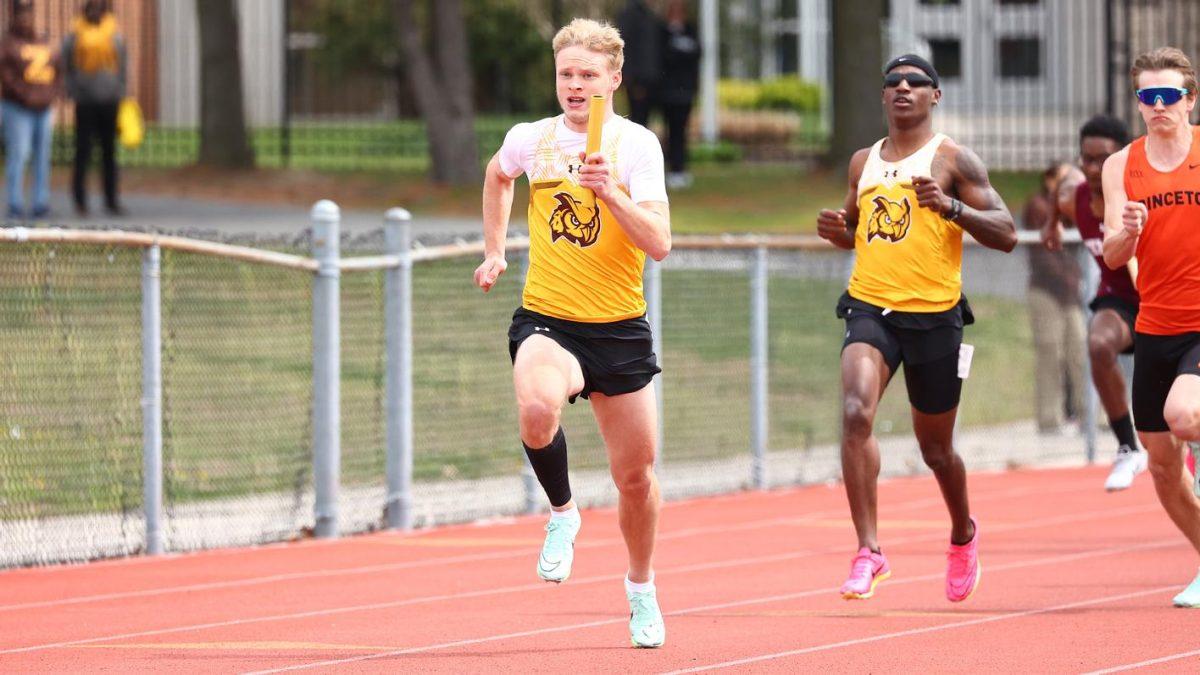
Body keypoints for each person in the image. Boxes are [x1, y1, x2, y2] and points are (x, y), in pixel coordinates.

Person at [474, 18, 671, 646]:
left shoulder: (635, 146)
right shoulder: (532, 140)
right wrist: (496, 248)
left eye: (589, 74)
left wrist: (611, 195)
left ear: (614, 79)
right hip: (548, 318)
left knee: (635, 479)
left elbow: (660, 245)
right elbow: (498, 174)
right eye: (566, 74)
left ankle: (640, 588)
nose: (576, 85)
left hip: (618, 330)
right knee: (536, 408)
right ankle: (562, 513)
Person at [816, 54, 1016, 603]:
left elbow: (1006, 232)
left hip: (934, 318)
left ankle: (962, 534)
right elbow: (859, 230)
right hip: (870, 307)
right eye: (893, 83)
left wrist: (951, 206)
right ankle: (869, 551)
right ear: (883, 97)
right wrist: (837, 229)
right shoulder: (863, 162)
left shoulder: (952, 158)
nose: (903, 88)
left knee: (937, 450)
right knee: (856, 412)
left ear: (935, 95)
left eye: (916, 82)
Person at [1100, 46, 1200, 607]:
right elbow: (1114, 255)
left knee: (1185, 415)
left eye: (1169, 96)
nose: (1158, 106)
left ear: (1189, 100)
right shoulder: (1123, 165)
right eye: (1148, 97)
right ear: (1139, 104)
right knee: (1162, 466)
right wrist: (1130, 230)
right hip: (1156, 324)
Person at [1043, 115, 1148, 491]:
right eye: (1085, 159)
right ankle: (1127, 447)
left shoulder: (1141, 194)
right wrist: (1052, 224)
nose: (1091, 168)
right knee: (1098, 342)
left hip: (1163, 298)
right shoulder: (1077, 197)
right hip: (1120, 298)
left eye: (1101, 159)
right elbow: (1059, 193)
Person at [1025, 162, 1087, 435]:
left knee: (1080, 351)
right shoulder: (1039, 206)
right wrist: (1069, 278)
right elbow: (1043, 255)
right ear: (1049, 179)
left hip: (1070, 292)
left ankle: (1090, 416)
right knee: (1050, 353)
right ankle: (1050, 419)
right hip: (1047, 291)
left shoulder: (1070, 207)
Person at [62, 0, 126, 217]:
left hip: (109, 100)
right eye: (92, 7)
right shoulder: (75, 35)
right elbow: (67, 65)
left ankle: (111, 199)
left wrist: (120, 91)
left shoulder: (114, 33)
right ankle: (80, 200)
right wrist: (73, 90)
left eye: (100, 7)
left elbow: (122, 65)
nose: (96, 11)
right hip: (86, 100)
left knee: (109, 153)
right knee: (83, 152)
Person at [0, 0, 60, 220]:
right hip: (18, 108)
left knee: (42, 156)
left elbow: (58, 69)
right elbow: (7, 77)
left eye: (29, 14)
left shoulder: (44, 41)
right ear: (15, 17)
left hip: (42, 108)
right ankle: (15, 203)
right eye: (22, 15)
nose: (26, 19)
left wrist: (50, 95)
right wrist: (27, 96)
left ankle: (40, 202)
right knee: (19, 153)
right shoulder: (8, 44)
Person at [659, 0, 700, 189]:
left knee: (681, 133)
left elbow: (697, 54)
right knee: (670, 132)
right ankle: (668, 170)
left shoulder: (691, 30)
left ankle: (680, 169)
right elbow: (664, 58)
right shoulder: (662, 32)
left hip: (686, 92)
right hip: (667, 93)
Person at [616, 0, 661, 128]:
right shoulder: (630, 14)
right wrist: (633, 81)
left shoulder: (648, 13)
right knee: (637, 120)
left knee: (644, 119)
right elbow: (624, 46)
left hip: (649, 80)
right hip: (638, 81)